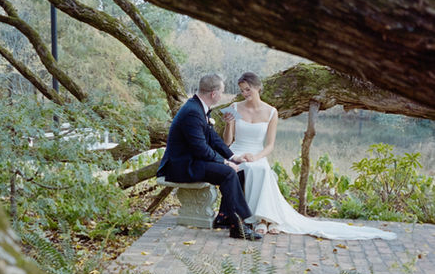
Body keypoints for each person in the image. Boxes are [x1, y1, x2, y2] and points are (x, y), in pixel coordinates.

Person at [221, 71, 397, 240]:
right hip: (236, 151)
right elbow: (227, 142)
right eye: (242, 90)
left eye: (247, 89)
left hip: (257, 153)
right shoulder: (235, 107)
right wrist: (229, 124)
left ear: (257, 88)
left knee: (261, 169)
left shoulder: (271, 112)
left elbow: (270, 145)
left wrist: (257, 156)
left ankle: (266, 218)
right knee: (247, 168)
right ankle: (256, 218)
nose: (244, 93)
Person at [157, 73, 262, 240]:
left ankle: (224, 217)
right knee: (228, 173)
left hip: (194, 161)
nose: (222, 95)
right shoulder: (193, 112)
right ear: (214, 94)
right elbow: (201, 149)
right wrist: (225, 163)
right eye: (222, 91)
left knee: (239, 170)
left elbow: (213, 140)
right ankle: (238, 226)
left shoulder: (199, 108)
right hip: (182, 166)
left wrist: (233, 157)